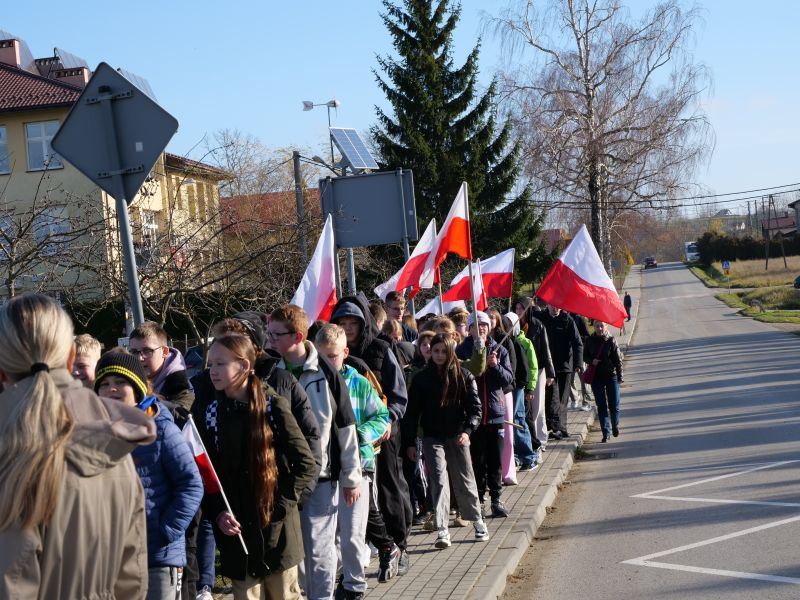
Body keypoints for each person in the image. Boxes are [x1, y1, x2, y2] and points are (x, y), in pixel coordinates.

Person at [0, 293, 156, 600]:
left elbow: (12, 584)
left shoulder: (12, 455)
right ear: (71, 357)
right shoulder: (114, 447)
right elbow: (132, 576)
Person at [201, 334, 316, 599]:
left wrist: (280, 507)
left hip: (277, 532)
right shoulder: (212, 413)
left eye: (220, 363)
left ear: (244, 365)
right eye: (210, 364)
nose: (212, 371)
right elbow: (209, 473)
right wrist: (219, 513)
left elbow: (305, 464)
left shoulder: (273, 406)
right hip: (238, 534)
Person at [269, 305, 362, 600]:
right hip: (283, 477)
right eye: (269, 334)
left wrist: (351, 476)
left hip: (322, 476)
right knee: (296, 551)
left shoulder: (326, 371)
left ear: (297, 336)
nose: (270, 340)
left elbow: (345, 425)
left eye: (276, 335)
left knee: (319, 549)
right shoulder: (271, 372)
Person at [95, 352, 203, 600]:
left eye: (120, 382)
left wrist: (166, 530)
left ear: (137, 388)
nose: (112, 389)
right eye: (104, 384)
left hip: (157, 559)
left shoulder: (161, 428)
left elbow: (191, 484)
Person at [330, 296, 412, 581]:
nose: (348, 327)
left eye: (353, 322)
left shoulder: (381, 348)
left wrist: (389, 419)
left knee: (390, 489)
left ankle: (400, 544)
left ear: (363, 322)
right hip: (347, 441)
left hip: (383, 432)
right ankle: (363, 553)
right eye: (342, 322)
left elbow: (399, 393)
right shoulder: (331, 355)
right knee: (357, 499)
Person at [314, 324, 390, 600]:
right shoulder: (312, 383)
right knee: (330, 534)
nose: (327, 362)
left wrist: (359, 435)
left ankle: (355, 585)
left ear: (345, 353)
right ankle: (336, 581)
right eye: (321, 357)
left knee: (353, 531)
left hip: (358, 465)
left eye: (332, 356)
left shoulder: (358, 383)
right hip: (325, 468)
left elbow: (382, 416)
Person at [404, 333, 489, 549]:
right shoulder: (421, 379)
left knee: (465, 478)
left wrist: (467, 431)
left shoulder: (464, 375)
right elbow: (412, 413)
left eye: (444, 351)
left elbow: (475, 409)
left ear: (451, 352)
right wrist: (410, 442)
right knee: (439, 481)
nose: (440, 355)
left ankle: (477, 521)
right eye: (436, 351)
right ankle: (442, 529)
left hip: (458, 435)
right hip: (432, 437)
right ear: (430, 352)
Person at [455, 311, 514, 518]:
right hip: (473, 416)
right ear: (469, 328)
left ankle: (496, 499)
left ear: (489, 327)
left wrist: (495, 366)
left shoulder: (500, 349)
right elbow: (459, 377)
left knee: (495, 460)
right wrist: (477, 362)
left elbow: (508, 379)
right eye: (476, 325)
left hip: (495, 413)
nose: (480, 328)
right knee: (477, 461)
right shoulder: (462, 350)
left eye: (484, 325)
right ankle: (479, 500)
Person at [538, 304, 583, 440]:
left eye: (558, 306)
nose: (555, 308)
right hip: (549, 366)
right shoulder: (541, 318)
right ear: (547, 305)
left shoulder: (567, 320)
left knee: (563, 398)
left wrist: (578, 363)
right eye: (552, 305)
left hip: (565, 366)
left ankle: (561, 427)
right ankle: (555, 427)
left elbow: (577, 343)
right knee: (552, 397)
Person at [129, 322, 194, 409]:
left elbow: (182, 414)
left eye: (147, 351)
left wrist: (150, 399)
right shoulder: (125, 382)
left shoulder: (182, 388)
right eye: (134, 352)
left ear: (164, 352)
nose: (139, 358)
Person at [503, 313, 538, 471]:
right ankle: (517, 456)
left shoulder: (518, 343)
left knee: (518, 420)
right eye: (505, 324)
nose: (507, 328)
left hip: (517, 387)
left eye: (510, 325)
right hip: (508, 388)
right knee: (511, 422)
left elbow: (526, 368)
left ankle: (529, 456)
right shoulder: (503, 341)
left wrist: (528, 387)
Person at [522, 303, 555, 456]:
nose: (519, 312)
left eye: (521, 308)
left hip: (539, 369)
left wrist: (550, 373)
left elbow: (546, 349)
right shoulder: (514, 326)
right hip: (523, 371)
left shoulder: (537, 325)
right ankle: (537, 439)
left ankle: (539, 440)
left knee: (538, 407)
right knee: (531, 409)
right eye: (516, 309)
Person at [583, 321, 624, 443]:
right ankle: (606, 433)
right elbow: (584, 356)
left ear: (606, 327)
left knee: (614, 404)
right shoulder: (589, 340)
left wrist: (620, 376)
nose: (599, 328)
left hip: (611, 376)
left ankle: (615, 425)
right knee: (601, 406)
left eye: (602, 326)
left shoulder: (611, 340)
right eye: (597, 326)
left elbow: (618, 360)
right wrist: (592, 361)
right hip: (597, 378)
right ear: (594, 327)